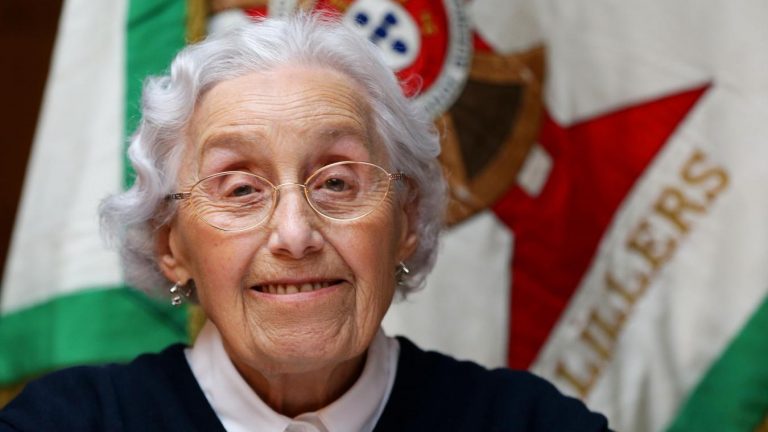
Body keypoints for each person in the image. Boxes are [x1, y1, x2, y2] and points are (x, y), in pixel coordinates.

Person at [0, 13, 609, 432]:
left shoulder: (530, 423)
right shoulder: (66, 424)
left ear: (406, 221)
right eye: (241, 189)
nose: (294, 235)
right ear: (171, 244)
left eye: (337, 183)